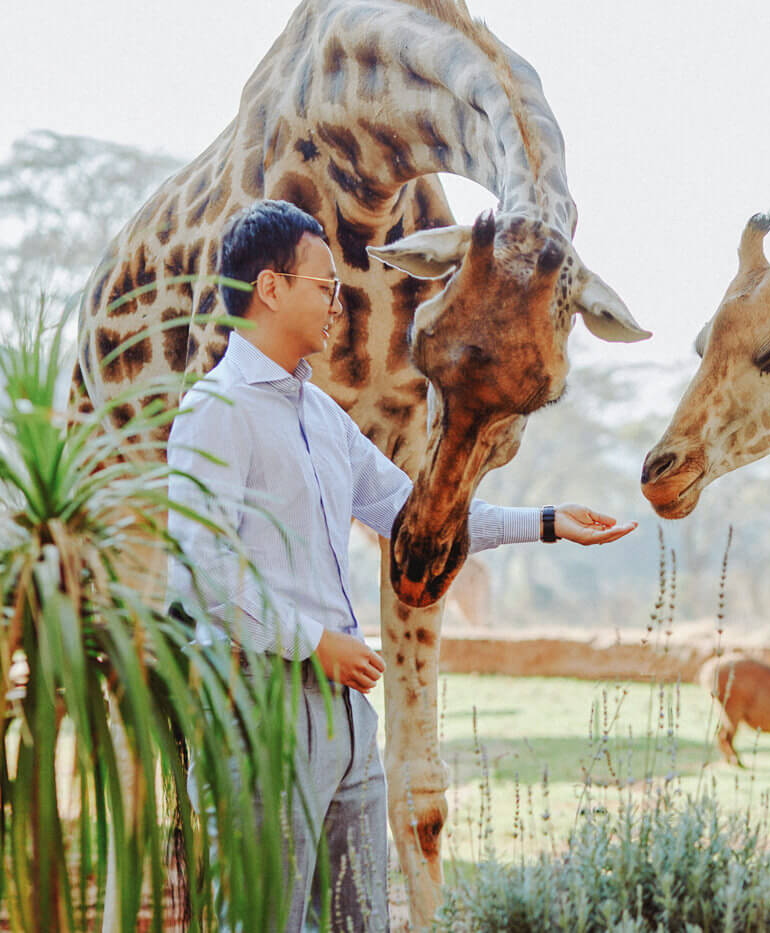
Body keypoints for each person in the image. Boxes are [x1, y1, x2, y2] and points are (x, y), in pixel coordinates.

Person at [165, 198, 635, 931]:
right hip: (261, 706)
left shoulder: (321, 417)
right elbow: (201, 569)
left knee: (362, 921)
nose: (335, 304)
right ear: (270, 287)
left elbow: (419, 522)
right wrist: (314, 642)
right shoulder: (215, 410)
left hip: (348, 716)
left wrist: (545, 523)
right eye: (324, 286)